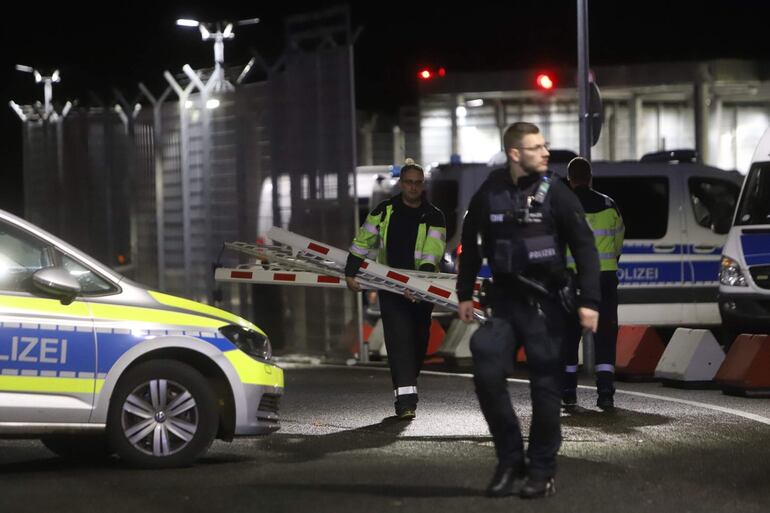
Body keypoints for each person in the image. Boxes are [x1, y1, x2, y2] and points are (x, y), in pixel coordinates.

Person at [456, 122, 600, 499]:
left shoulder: (558, 194)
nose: (546, 152)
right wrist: (463, 293)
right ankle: (509, 461)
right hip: (503, 301)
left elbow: (585, 247)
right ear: (514, 153)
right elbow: (469, 244)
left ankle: (541, 469)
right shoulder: (490, 191)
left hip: (548, 303)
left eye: (545, 145)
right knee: (486, 368)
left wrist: (590, 302)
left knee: (545, 392)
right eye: (537, 147)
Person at [345, 159, 446, 420]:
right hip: (389, 287)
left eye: (417, 183)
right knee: (399, 340)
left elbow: (431, 254)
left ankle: (407, 381)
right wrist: (350, 271)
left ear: (422, 185)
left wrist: (418, 284)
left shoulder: (434, 215)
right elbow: (362, 240)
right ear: (401, 184)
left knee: (419, 340)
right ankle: (405, 402)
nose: (413, 187)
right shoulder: (384, 210)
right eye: (408, 183)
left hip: (421, 289)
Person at [562, 157, 625, 410]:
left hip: (574, 279)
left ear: (570, 179)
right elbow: (618, 240)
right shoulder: (609, 205)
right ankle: (605, 393)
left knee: (568, 336)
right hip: (604, 279)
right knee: (605, 336)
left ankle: (568, 392)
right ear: (590, 177)